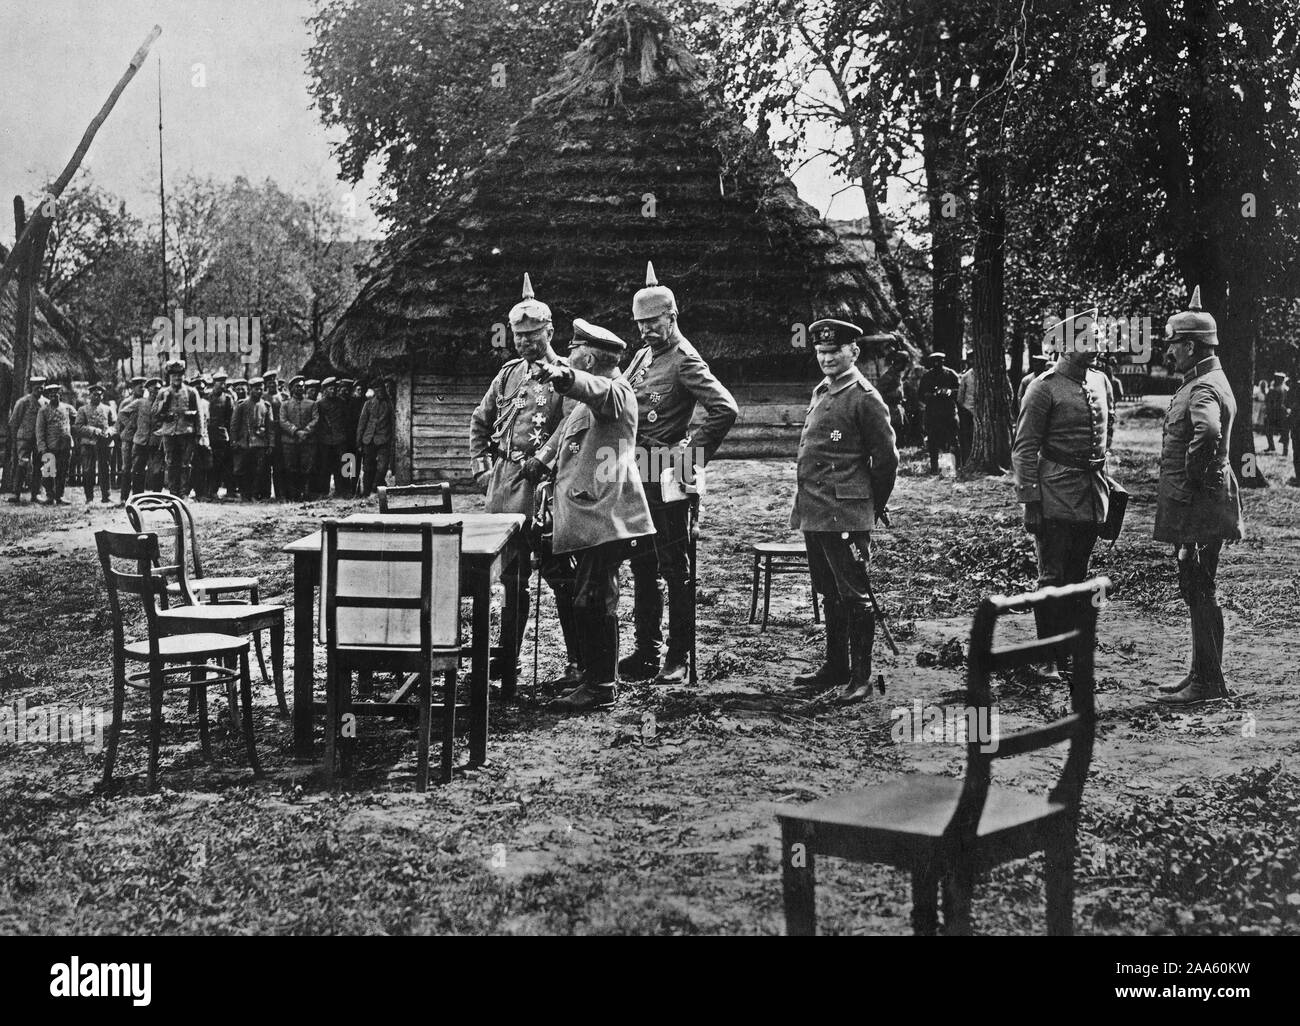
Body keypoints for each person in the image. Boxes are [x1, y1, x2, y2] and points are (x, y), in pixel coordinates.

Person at [619, 262, 738, 685]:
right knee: (641, 564)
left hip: (667, 472)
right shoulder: (641, 357)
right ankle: (646, 651)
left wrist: (692, 455)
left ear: (673, 317)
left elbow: (725, 408)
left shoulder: (685, 359)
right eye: (640, 324)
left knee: (675, 567)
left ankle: (678, 656)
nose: (647, 331)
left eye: (654, 323)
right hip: (637, 472)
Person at [532, 318, 655, 713]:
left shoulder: (615, 392)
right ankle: (594, 677)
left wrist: (564, 377)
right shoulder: (591, 403)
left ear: (587, 357)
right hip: (591, 516)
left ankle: (601, 686)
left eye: (573, 353)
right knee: (589, 598)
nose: (568, 356)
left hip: (607, 517)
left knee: (594, 599)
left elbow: (597, 389)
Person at [470, 274, 582, 685]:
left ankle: (577, 661)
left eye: (532, 336)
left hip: (545, 492)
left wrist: (545, 457)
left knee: (561, 577)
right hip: (504, 488)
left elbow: (572, 420)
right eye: (518, 336)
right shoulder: (507, 375)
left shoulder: (566, 375)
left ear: (550, 332)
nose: (524, 343)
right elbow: (480, 420)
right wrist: (482, 468)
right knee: (510, 581)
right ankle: (506, 659)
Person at [790, 320, 899, 703]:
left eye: (834, 352)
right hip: (815, 510)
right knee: (829, 591)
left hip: (845, 513)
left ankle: (861, 678)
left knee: (854, 595)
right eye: (820, 352)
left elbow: (886, 459)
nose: (826, 358)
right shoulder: (823, 391)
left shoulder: (864, 396)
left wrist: (869, 506)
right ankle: (835, 666)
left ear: (853, 352)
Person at [1154, 287, 1243, 704]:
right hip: (1205, 501)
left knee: (1199, 585)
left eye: (1173, 346)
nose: (1169, 354)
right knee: (1197, 585)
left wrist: (1192, 477)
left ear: (1190, 346)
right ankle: (1202, 674)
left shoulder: (1203, 387)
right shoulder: (1209, 379)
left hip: (1200, 504)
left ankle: (1208, 682)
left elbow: (1207, 433)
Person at [1012, 323, 1115, 682]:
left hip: (1090, 495)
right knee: (1052, 577)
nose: (1097, 344)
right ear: (1065, 346)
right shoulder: (1043, 388)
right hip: (1054, 494)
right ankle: (1046, 658)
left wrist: (1103, 476)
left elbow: (1108, 433)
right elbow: (1024, 448)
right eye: (1088, 339)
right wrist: (1030, 501)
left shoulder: (1101, 381)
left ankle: (1068, 653)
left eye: (1098, 337)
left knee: (1078, 576)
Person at [153, 360, 200, 497]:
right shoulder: (163, 392)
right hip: (169, 432)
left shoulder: (191, 392)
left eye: (179, 375)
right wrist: (164, 402)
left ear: (183, 376)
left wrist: (200, 435)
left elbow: (199, 416)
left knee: (185, 464)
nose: (177, 378)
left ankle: (184, 493)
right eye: (174, 375)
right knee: (171, 463)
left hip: (186, 432)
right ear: (169, 377)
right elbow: (154, 412)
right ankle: (173, 493)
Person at [231, 376, 273, 501]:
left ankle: (255, 494)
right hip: (245, 443)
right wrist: (233, 441)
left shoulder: (266, 406)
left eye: (261, 389)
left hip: (260, 443)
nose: (259, 392)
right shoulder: (242, 405)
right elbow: (234, 425)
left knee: (259, 470)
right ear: (250, 390)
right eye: (256, 389)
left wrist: (271, 444)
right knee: (243, 470)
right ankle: (245, 494)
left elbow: (270, 427)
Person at [918, 352, 960, 475]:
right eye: (935, 361)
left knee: (950, 441)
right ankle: (934, 468)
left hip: (948, 413)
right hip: (933, 414)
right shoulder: (927, 376)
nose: (937, 364)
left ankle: (947, 469)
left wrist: (949, 392)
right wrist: (932, 395)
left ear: (943, 361)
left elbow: (959, 391)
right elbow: (921, 394)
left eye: (940, 361)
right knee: (933, 442)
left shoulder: (951, 374)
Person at [7, 374, 46, 504]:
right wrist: (15, 440)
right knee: (22, 463)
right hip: (24, 438)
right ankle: (16, 493)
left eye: (41, 387)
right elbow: (13, 422)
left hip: (39, 439)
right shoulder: (23, 402)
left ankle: (36, 494)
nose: (39, 390)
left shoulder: (45, 403)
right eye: (37, 388)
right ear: (31, 388)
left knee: (39, 465)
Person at [74, 383, 116, 504]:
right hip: (88, 443)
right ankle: (89, 497)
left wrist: (109, 431)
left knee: (105, 470)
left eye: (99, 395)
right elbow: (78, 427)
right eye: (94, 394)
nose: (97, 397)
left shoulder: (108, 409)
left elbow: (115, 425)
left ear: (102, 396)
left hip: (105, 444)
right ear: (90, 395)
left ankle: (106, 496)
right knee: (88, 470)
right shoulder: (83, 409)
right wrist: (93, 430)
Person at [36, 382, 75, 505]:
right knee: (48, 472)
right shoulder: (43, 411)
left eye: (56, 393)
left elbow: (78, 419)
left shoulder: (67, 408)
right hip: (49, 446)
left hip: (65, 446)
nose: (54, 396)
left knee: (63, 472)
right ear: (48, 395)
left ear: (60, 394)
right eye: (51, 394)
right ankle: (49, 496)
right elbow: (40, 430)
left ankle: (60, 496)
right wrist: (42, 447)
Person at [280, 375, 318, 501]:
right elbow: (283, 421)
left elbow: (315, 419)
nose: (300, 389)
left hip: (307, 442)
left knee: (307, 468)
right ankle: (293, 495)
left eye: (302, 386)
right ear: (291, 388)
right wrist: (296, 431)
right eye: (297, 386)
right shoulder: (285, 405)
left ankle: (306, 493)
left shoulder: (312, 404)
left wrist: (305, 432)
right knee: (291, 469)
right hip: (290, 442)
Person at [357, 378, 395, 497]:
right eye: (377, 389)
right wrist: (358, 442)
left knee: (382, 467)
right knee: (368, 467)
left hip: (384, 440)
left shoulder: (389, 405)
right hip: (368, 440)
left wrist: (392, 440)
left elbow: (393, 423)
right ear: (374, 390)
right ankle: (366, 492)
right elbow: (362, 423)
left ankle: (376, 487)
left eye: (382, 389)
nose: (380, 392)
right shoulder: (368, 404)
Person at [314, 377, 349, 497]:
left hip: (340, 439)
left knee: (344, 466)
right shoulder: (319, 404)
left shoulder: (342, 402)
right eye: (330, 388)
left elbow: (346, 420)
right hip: (325, 440)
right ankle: (323, 491)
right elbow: (317, 423)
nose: (333, 391)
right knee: (325, 466)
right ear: (324, 390)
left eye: (334, 388)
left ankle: (343, 490)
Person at [206, 371, 234, 499]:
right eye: (220, 382)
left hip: (223, 436)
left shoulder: (228, 398)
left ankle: (227, 490)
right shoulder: (207, 397)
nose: (223, 385)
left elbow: (231, 419)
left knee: (224, 464)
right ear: (214, 383)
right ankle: (211, 490)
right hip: (209, 435)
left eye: (224, 382)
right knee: (211, 465)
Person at [1263, 371, 1289, 454]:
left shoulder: (1280, 389)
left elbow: (1269, 401)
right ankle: (1275, 447)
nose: (1276, 380)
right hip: (1277, 412)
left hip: (1278, 412)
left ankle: (1282, 449)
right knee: (1271, 430)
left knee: (1282, 431)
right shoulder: (1282, 389)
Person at [956, 359, 976, 466]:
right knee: (967, 438)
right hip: (968, 412)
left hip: (981, 413)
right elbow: (960, 397)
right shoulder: (966, 376)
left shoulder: (986, 375)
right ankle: (966, 462)